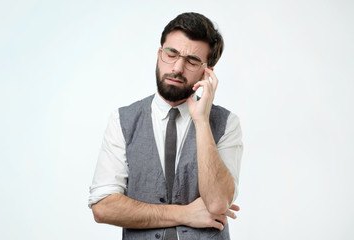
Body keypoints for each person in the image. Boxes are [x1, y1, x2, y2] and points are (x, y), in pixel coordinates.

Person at [88, 12, 243, 240]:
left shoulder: (226, 123)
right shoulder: (122, 121)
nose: (177, 68)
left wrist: (201, 122)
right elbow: (103, 207)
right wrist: (185, 214)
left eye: (191, 61)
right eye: (171, 54)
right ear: (159, 53)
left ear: (207, 71)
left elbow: (218, 203)